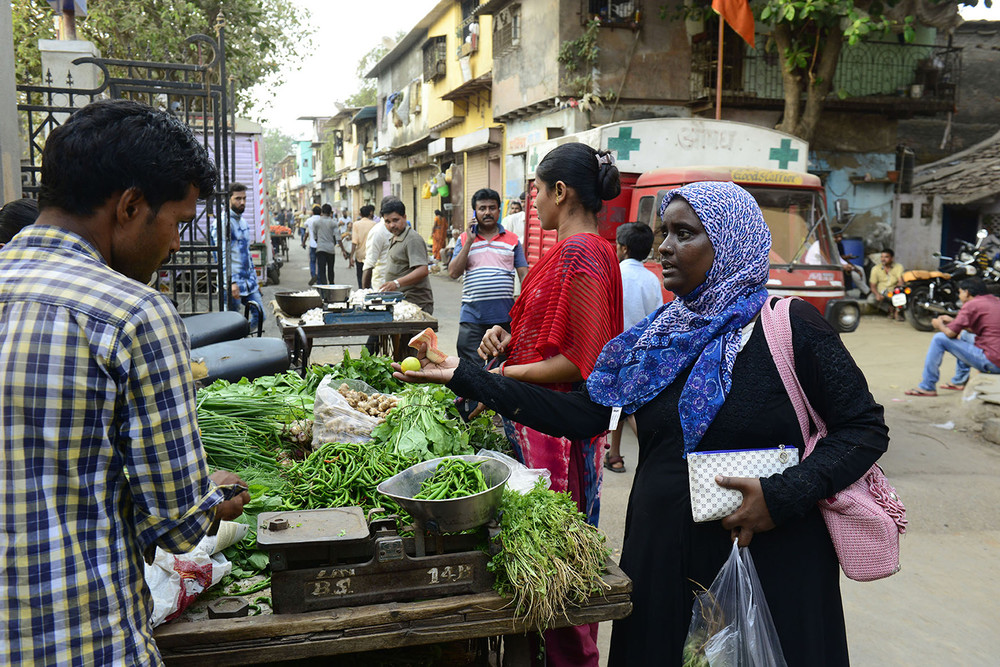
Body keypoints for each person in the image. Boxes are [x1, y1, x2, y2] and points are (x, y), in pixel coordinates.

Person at [399, 180, 888, 667]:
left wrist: (782, 495)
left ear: (730, 242)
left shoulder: (790, 325)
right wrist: (465, 377)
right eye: (662, 233)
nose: (665, 248)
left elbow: (863, 428)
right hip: (663, 557)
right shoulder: (659, 336)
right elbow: (583, 414)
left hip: (769, 557)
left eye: (684, 234)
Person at [0, 99, 250, 664]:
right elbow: (180, 526)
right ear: (131, 206)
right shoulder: (133, 313)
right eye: (178, 222)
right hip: (79, 641)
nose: (178, 243)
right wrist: (211, 498)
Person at [473, 143, 624, 667]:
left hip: (555, 435)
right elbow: (541, 335)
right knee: (541, 564)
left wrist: (500, 377)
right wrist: (505, 337)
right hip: (535, 420)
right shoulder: (568, 253)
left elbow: (578, 363)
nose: (533, 200)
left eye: (536, 189)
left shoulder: (584, 253)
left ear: (561, 192)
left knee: (558, 568)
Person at [604, 221, 663, 474]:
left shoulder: (613, 274)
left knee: (623, 408)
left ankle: (654, 452)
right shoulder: (652, 279)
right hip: (643, 352)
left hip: (615, 350)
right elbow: (657, 317)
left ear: (624, 248)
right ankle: (615, 454)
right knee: (631, 405)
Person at [448, 188, 529, 363]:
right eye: (482, 208)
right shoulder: (463, 239)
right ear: (475, 212)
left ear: (499, 211)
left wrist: (526, 307)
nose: (487, 212)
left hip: (503, 319)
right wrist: (469, 241)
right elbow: (453, 273)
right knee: (469, 370)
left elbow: (525, 275)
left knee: (499, 370)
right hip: (471, 319)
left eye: (492, 208)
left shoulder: (513, 240)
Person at [906, 277, 1000, 396]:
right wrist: (953, 321)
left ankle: (927, 386)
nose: (960, 296)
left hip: (993, 362)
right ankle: (959, 381)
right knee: (965, 334)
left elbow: (951, 333)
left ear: (967, 292)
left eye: (960, 292)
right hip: (996, 357)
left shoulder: (972, 304)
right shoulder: (995, 301)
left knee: (939, 338)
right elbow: (978, 328)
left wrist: (938, 324)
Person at [211, 182, 266, 331]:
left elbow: (247, 255)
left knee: (261, 315)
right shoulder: (222, 223)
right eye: (237, 198)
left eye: (244, 198)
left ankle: (242, 338)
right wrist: (231, 282)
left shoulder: (243, 222)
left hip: (249, 283)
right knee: (231, 322)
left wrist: (256, 281)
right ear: (228, 199)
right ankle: (235, 345)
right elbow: (220, 254)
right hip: (232, 283)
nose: (242, 202)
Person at [379, 197, 434, 314]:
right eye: (387, 222)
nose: (391, 225)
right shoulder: (395, 237)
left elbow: (422, 270)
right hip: (401, 303)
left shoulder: (412, 239)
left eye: (395, 220)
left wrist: (396, 283)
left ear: (404, 217)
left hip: (415, 304)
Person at [362, 203, 394, 290]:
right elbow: (369, 264)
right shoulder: (378, 231)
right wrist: (366, 293)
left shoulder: (401, 230)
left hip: (398, 283)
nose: (392, 225)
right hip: (382, 283)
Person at [869, 247, 905, 320]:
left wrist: (899, 286)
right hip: (881, 292)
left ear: (892, 258)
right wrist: (877, 294)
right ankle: (889, 309)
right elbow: (872, 286)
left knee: (901, 295)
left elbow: (900, 281)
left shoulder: (898, 267)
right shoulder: (875, 268)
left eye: (886, 257)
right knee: (871, 300)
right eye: (882, 257)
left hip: (893, 292)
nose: (883, 259)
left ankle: (897, 313)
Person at [314, 203, 342, 285]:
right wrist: (343, 250)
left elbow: (315, 237)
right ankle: (332, 285)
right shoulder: (333, 223)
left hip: (320, 249)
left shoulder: (316, 223)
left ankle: (324, 289)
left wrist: (320, 242)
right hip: (330, 249)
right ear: (330, 213)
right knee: (330, 269)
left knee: (322, 270)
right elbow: (338, 238)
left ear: (322, 212)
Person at [352, 204, 377, 288]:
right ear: (370, 213)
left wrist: (351, 257)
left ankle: (361, 295)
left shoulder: (356, 224)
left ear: (360, 214)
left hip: (359, 256)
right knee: (370, 279)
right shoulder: (374, 224)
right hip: (371, 255)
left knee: (360, 278)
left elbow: (354, 242)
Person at [303, 204, 322, 284]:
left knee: (312, 261)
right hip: (321, 245)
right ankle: (320, 278)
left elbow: (305, 227)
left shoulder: (309, 220)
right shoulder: (322, 220)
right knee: (320, 262)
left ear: (313, 212)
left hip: (312, 244)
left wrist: (303, 242)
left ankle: (313, 275)